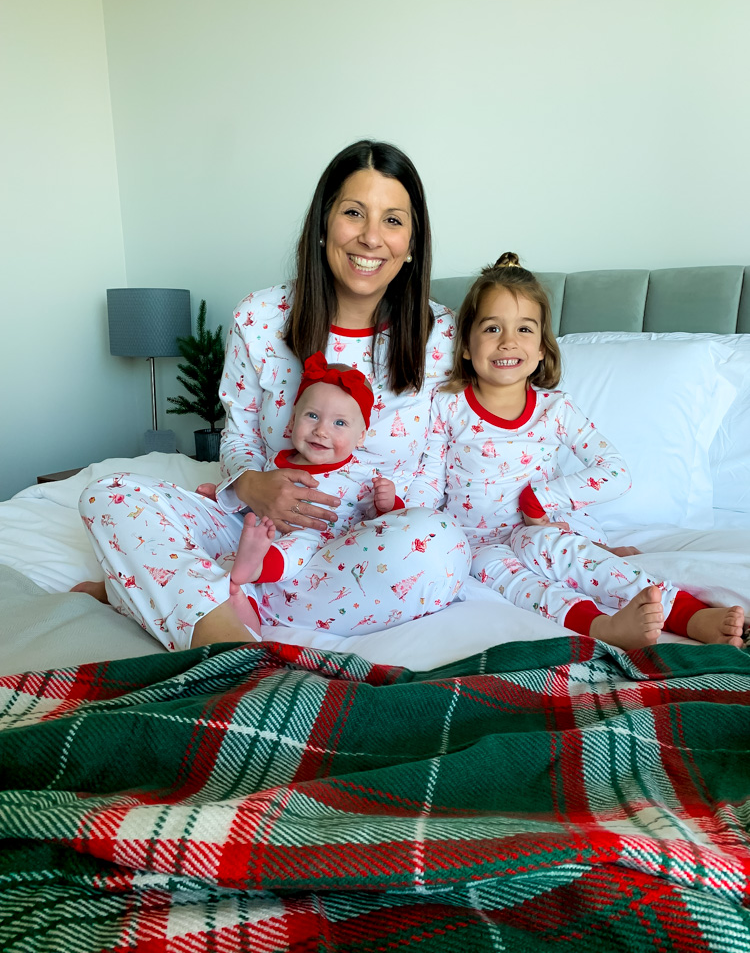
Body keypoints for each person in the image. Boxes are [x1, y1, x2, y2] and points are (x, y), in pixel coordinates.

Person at [76, 140, 469, 650]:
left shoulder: (441, 333)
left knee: (440, 548)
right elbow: (237, 439)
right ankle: (223, 638)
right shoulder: (260, 317)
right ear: (324, 223)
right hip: (255, 528)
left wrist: (388, 510)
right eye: (354, 213)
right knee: (107, 496)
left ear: (413, 240)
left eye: (393, 220)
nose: (371, 238)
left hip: (370, 543)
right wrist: (251, 485)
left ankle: (181, 595)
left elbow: (435, 470)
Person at [409, 252, 746, 651]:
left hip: (540, 529)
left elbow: (614, 471)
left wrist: (542, 498)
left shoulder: (555, 410)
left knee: (560, 552)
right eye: (492, 328)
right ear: (465, 345)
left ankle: (688, 615)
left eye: (524, 329)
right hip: (473, 540)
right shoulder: (448, 406)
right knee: (510, 579)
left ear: (540, 351)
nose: (508, 341)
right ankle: (602, 626)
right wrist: (403, 513)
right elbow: (428, 480)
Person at [197, 352, 405, 638]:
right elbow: (254, 503)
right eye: (312, 416)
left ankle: (254, 567)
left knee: (299, 543)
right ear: (292, 421)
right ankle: (245, 611)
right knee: (228, 564)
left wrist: (388, 501)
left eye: (340, 423)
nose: (321, 430)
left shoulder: (362, 477)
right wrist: (221, 498)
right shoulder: (275, 465)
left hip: (320, 544)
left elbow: (388, 524)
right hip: (266, 535)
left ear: (361, 436)